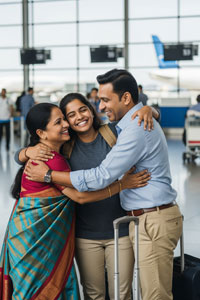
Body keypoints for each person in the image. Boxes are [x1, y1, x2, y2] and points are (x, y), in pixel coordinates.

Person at [24, 69, 183, 300]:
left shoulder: (122, 130)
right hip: (120, 225)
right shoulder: (70, 147)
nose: (100, 107)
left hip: (140, 222)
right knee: (122, 292)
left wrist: (49, 175)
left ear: (126, 98)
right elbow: (35, 151)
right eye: (69, 115)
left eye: (104, 101)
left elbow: (101, 176)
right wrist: (25, 152)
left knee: (148, 294)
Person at [0, 102, 148, 300]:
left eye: (65, 119)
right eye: (60, 120)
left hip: (24, 238)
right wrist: (123, 184)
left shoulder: (66, 147)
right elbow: (80, 197)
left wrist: (148, 109)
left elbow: (135, 122)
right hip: (38, 241)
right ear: (41, 133)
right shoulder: (53, 158)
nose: (67, 124)